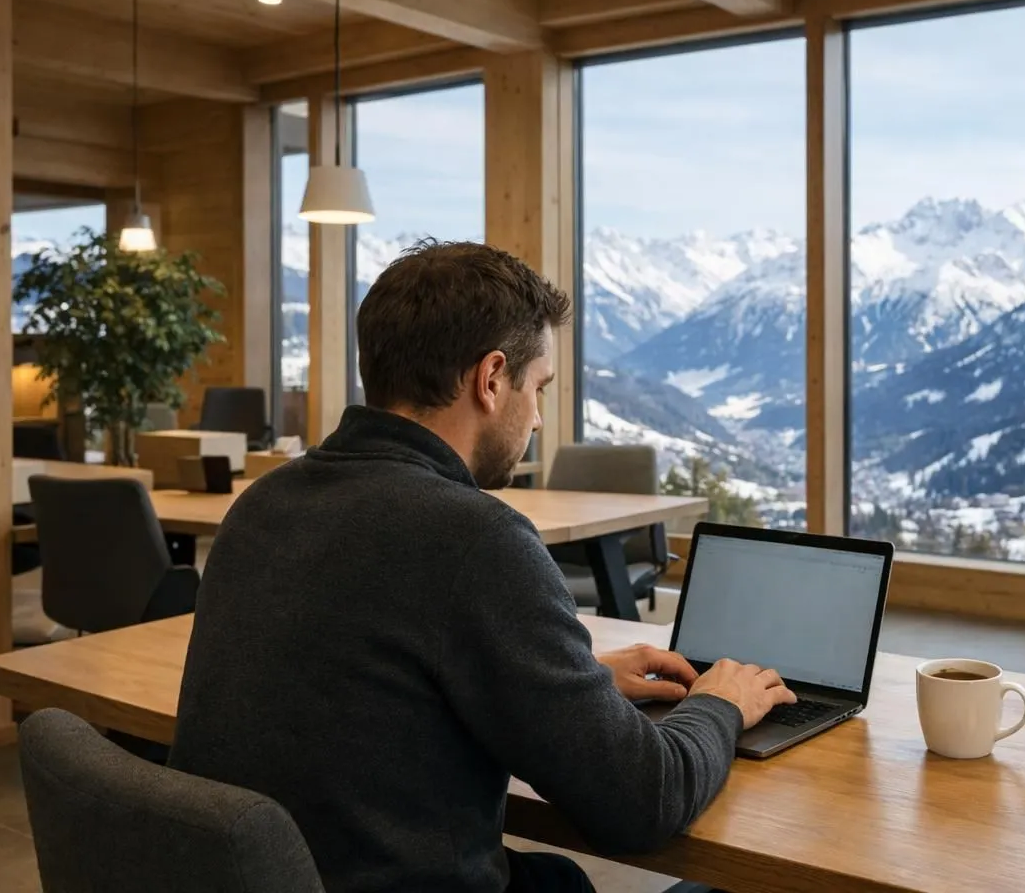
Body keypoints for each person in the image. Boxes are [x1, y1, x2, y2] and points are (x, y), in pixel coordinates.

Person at [168, 240, 795, 893]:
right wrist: (719, 703)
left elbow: (365, 671)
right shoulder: (474, 539)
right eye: (538, 388)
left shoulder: (264, 503)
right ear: (491, 379)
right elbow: (642, 804)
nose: (537, 417)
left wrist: (569, 681)